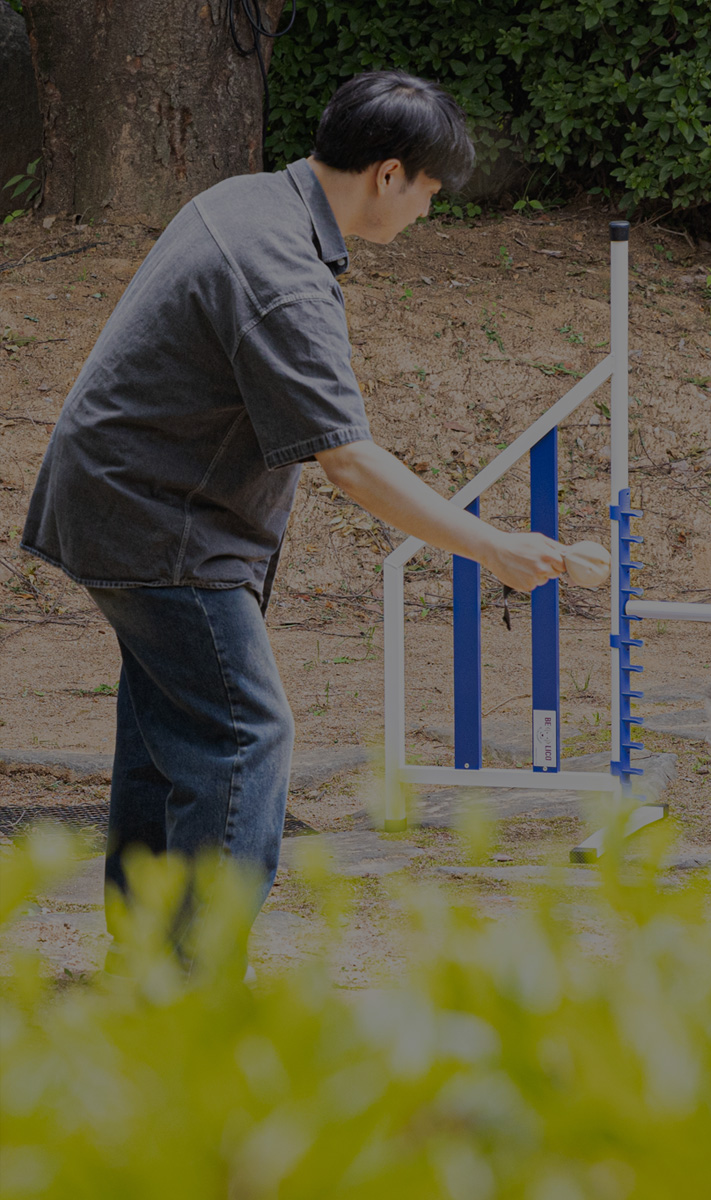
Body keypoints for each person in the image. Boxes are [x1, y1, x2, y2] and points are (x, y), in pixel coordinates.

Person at [21, 70, 566, 966]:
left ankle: (146, 958)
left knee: (171, 729)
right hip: (159, 524)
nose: (428, 209)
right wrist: (489, 545)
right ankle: (196, 989)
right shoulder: (280, 273)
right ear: (388, 174)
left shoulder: (252, 200)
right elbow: (347, 458)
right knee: (243, 733)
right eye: (429, 188)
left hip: (123, 501)